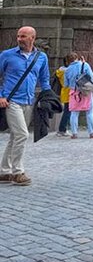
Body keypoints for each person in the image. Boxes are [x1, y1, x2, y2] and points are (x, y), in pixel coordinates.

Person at [0, 26, 51, 186]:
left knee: (15, 137)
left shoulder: (41, 57)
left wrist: (48, 97)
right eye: (18, 36)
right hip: (11, 101)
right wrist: (1, 95)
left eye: (23, 36)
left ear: (32, 38)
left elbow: (44, 79)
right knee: (23, 134)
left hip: (29, 101)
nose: (20, 39)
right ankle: (18, 172)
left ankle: (4, 171)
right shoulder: (6, 55)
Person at [63, 54, 93, 139]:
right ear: (77, 58)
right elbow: (92, 78)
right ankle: (92, 133)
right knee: (90, 113)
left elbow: (66, 84)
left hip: (74, 93)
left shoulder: (67, 70)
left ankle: (74, 133)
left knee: (74, 113)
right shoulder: (85, 65)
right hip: (86, 91)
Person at [55, 52, 77, 137]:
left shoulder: (61, 70)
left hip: (64, 91)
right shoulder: (69, 70)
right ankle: (62, 129)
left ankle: (63, 129)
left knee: (68, 111)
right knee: (68, 112)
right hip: (70, 92)